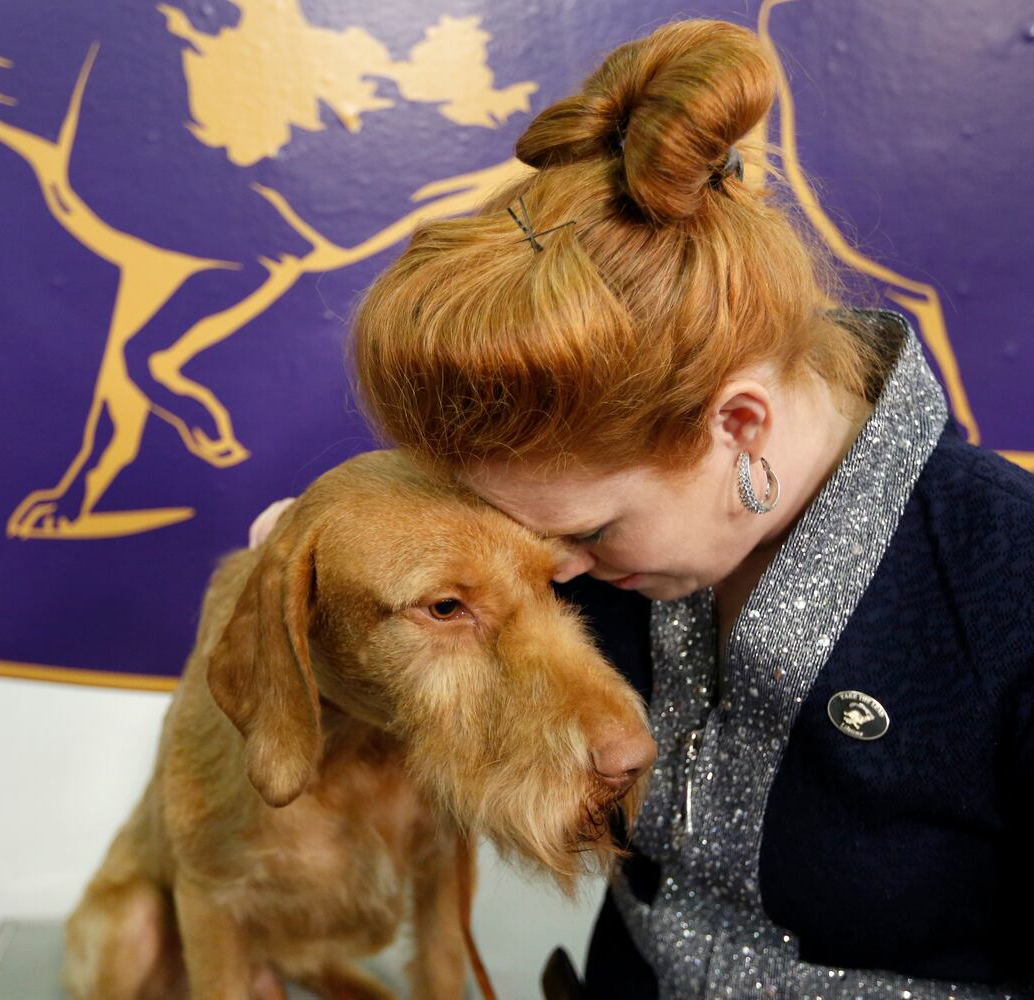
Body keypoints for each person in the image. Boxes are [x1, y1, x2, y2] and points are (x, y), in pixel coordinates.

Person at [254, 19, 1033, 999]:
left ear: (739, 425)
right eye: (528, 537)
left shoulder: (1007, 591)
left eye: (584, 532)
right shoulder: (588, 550)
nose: (565, 573)